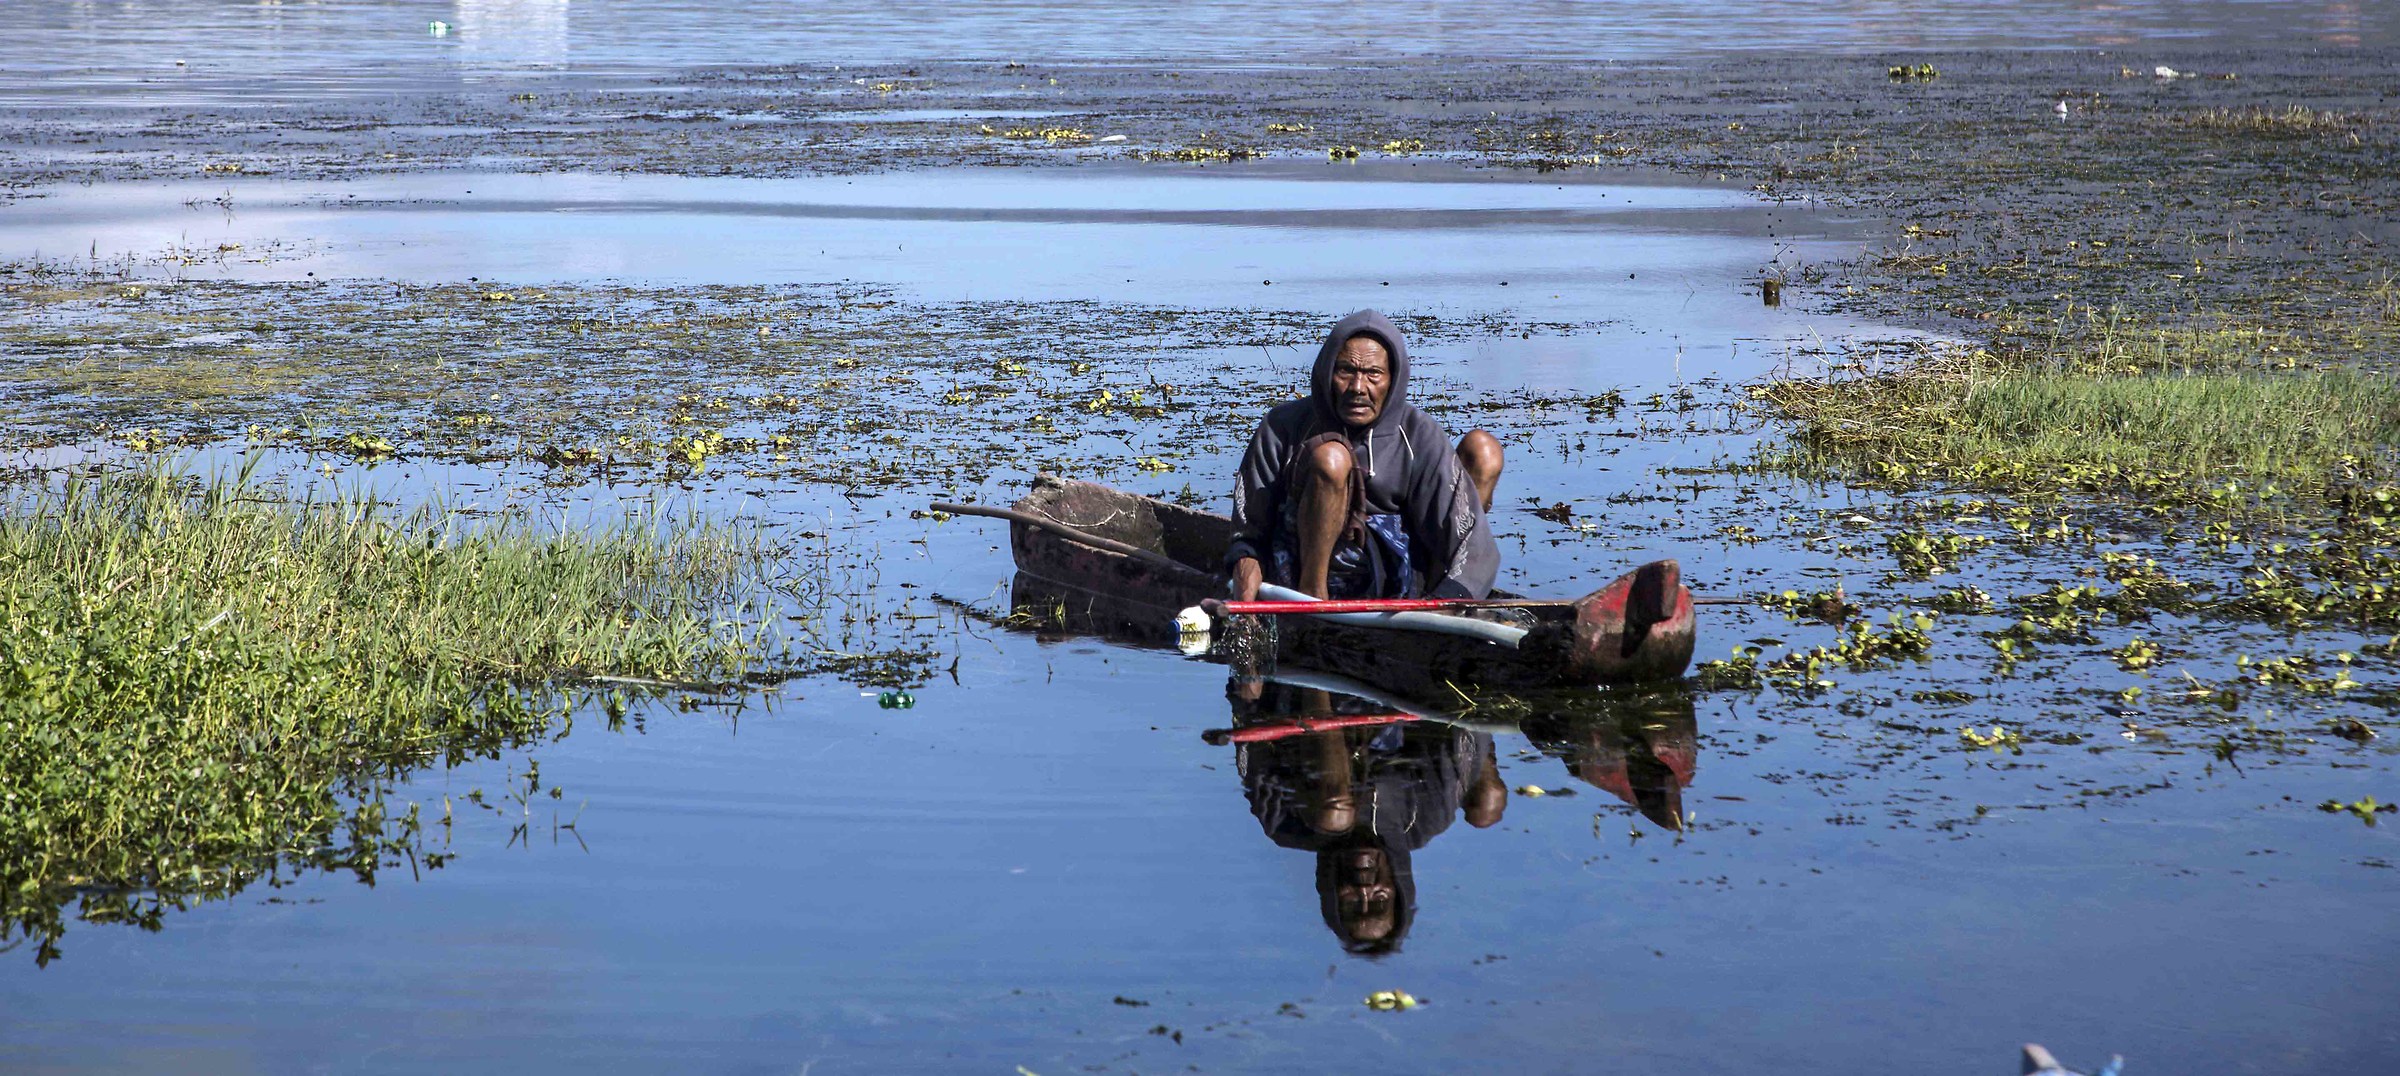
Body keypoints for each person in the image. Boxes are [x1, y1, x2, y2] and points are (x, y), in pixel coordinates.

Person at [1226, 310, 1503, 602]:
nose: (1358, 388)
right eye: (1346, 371)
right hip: (1298, 574)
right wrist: (1245, 604)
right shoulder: (1283, 426)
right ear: (1326, 372)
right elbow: (1247, 537)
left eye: (1373, 374)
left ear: (1392, 380)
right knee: (1331, 459)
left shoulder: (1417, 434)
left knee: (1482, 449)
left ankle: (1428, 599)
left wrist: (1448, 602)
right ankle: (1314, 603)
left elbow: (1475, 545)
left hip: (1396, 577)